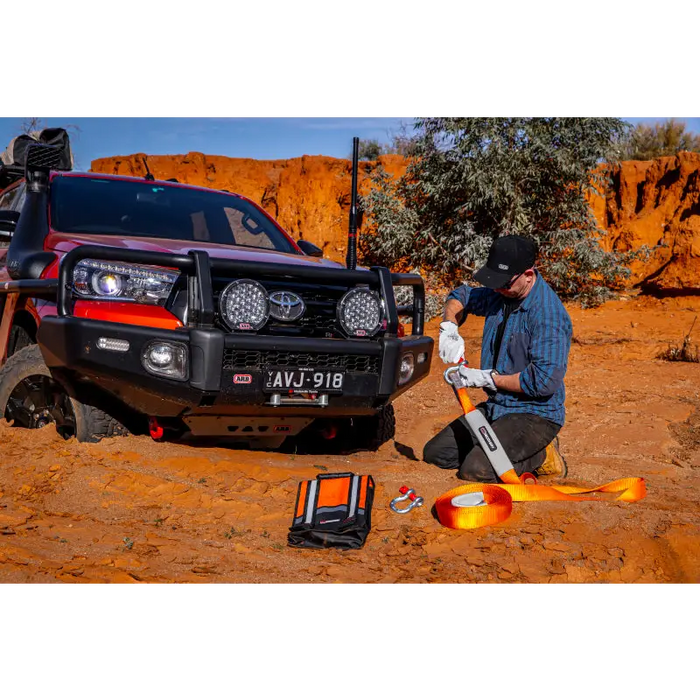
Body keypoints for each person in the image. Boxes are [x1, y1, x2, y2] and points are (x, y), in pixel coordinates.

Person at [424, 234, 572, 483]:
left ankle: (542, 456)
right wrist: (449, 326)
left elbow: (543, 382)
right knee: (436, 454)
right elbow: (461, 296)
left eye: (504, 283)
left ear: (528, 274)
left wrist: (488, 378)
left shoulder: (548, 316)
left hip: (535, 414)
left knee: (476, 470)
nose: (497, 288)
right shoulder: (502, 294)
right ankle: (495, 449)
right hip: (498, 407)